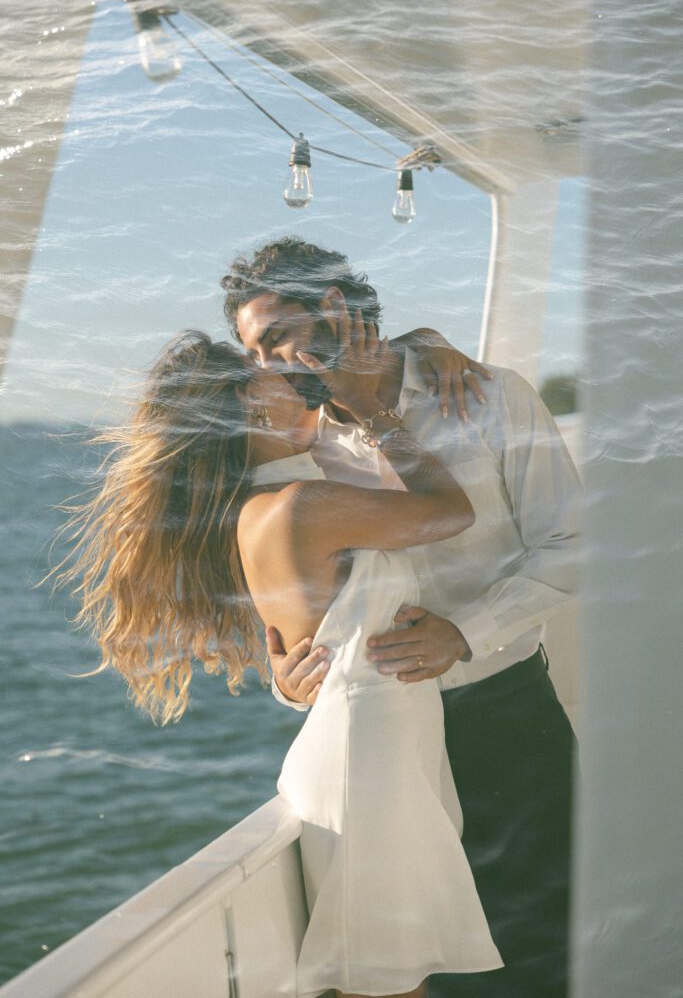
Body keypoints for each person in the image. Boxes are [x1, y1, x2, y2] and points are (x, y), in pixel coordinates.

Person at [55, 325, 503, 998]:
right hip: (368, 758)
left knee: (395, 978)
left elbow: (314, 648)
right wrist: (376, 412)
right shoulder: (300, 504)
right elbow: (449, 511)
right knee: (387, 985)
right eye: (266, 372)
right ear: (248, 409)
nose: (290, 371)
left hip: (378, 746)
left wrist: (418, 345)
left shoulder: (272, 502)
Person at [221, 236, 582, 998]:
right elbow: (288, 608)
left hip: (502, 718)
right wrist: (288, 681)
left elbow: (574, 544)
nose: (269, 365)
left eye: (275, 336)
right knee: (435, 971)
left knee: (545, 942)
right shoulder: (287, 441)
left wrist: (465, 634)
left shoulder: (488, 394)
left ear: (331, 305)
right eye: (253, 352)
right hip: (379, 742)